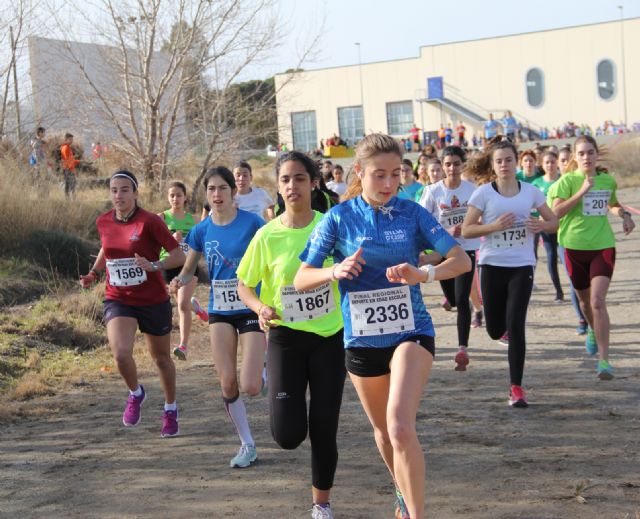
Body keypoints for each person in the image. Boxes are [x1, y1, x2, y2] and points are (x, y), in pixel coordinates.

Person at [294, 134, 470, 519]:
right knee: (383, 431)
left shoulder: (412, 214)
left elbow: (461, 262)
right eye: (379, 175)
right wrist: (334, 271)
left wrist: (422, 274)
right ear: (360, 172)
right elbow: (301, 278)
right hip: (361, 338)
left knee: (400, 426)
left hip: (411, 331)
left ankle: (416, 514)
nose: (389, 183)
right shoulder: (339, 217)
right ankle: (402, 495)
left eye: (395, 174)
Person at [237, 152, 346, 519]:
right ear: (278, 187)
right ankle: (279, 393)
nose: (292, 186)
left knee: (324, 426)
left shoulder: (330, 226)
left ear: (313, 182)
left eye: (300, 178)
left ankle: (321, 504)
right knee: (288, 436)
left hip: (329, 336)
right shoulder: (267, 235)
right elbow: (244, 284)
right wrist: (259, 308)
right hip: (284, 337)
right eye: (285, 179)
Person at [170, 166, 266, 467]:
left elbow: (271, 259)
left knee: (251, 385)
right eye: (211, 189)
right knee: (227, 384)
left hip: (250, 307)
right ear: (206, 195)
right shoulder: (201, 230)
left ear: (233, 192)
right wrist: (177, 281)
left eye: (222, 188)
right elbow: (189, 269)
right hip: (220, 311)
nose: (217, 194)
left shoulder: (253, 223)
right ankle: (247, 444)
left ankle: (266, 363)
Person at [80, 170, 186, 436]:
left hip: (152, 300)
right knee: (120, 353)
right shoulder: (103, 221)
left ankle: (170, 409)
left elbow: (178, 255)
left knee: (161, 359)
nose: (119, 195)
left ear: (135, 193)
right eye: (114, 190)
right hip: (119, 298)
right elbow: (107, 248)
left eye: (125, 190)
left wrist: (154, 265)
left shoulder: (150, 222)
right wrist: (94, 272)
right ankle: (135, 393)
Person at [462, 139, 558, 407]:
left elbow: (554, 222)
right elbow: (467, 230)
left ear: (517, 162)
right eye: (499, 161)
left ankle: (516, 388)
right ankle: (493, 322)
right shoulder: (483, 194)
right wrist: (492, 226)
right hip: (492, 266)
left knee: (516, 325)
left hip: (522, 265)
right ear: (493, 165)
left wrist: (541, 224)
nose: (504, 165)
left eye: (508, 160)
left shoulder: (531, 192)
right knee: (495, 330)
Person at [548, 135, 635, 379]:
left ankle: (604, 361)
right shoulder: (567, 182)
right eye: (582, 153)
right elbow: (555, 213)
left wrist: (624, 216)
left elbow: (613, 204)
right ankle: (593, 332)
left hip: (603, 246)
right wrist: (582, 192)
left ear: (597, 155)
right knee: (585, 303)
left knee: (597, 301)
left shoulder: (607, 180)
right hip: (573, 248)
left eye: (590, 152)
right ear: (576, 157)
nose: (586, 157)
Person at [419, 146, 480, 371]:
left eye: (456, 163)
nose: (452, 168)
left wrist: (466, 228)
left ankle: (462, 348)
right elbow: (422, 221)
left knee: (462, 299)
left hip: (466, 250)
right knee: (453, 300)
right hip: (441, 253)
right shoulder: (433, 192)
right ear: (442, 166)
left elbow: (481, 219)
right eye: (448, 164)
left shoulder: (473, 190)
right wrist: (443, 234)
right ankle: (454, 304)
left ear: (462, 164)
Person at [157, 181, 201, 360]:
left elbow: (199, 243)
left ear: (185, 197)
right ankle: (195, 305)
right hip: (168, 264)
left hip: (189, 265)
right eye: (172, 195)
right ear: (168, 197)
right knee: (182, 301)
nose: (175, 198)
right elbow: (154, 241)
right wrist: (170, 238)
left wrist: (185, 241)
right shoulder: (161, 217)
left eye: (179, 195)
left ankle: (183, 346)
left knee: (182, 304)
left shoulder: (194, 219)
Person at [532, 151, 563, 302]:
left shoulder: (564, 180)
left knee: (564, 257)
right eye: (547, 162)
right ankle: (559, 291)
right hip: (546, 227)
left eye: (552, 161)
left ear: (557, 163)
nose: (550, 165)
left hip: (565, 226)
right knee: (551, 257)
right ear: (542, 165)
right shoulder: (537, 183)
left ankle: (577, 287)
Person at [60, 133, 80, 199]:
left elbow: (71, 159)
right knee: (72, 184)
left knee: (68, 185)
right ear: (66, 139)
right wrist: (72, 169)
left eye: (72, 139)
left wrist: (78, 161)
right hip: (68, 169)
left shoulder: (67, 147)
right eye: (70, 139)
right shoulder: (65, 148)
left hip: (68, 168)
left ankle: (68, 199)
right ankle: (72, 199)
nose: (72, 141)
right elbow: (68, 161)